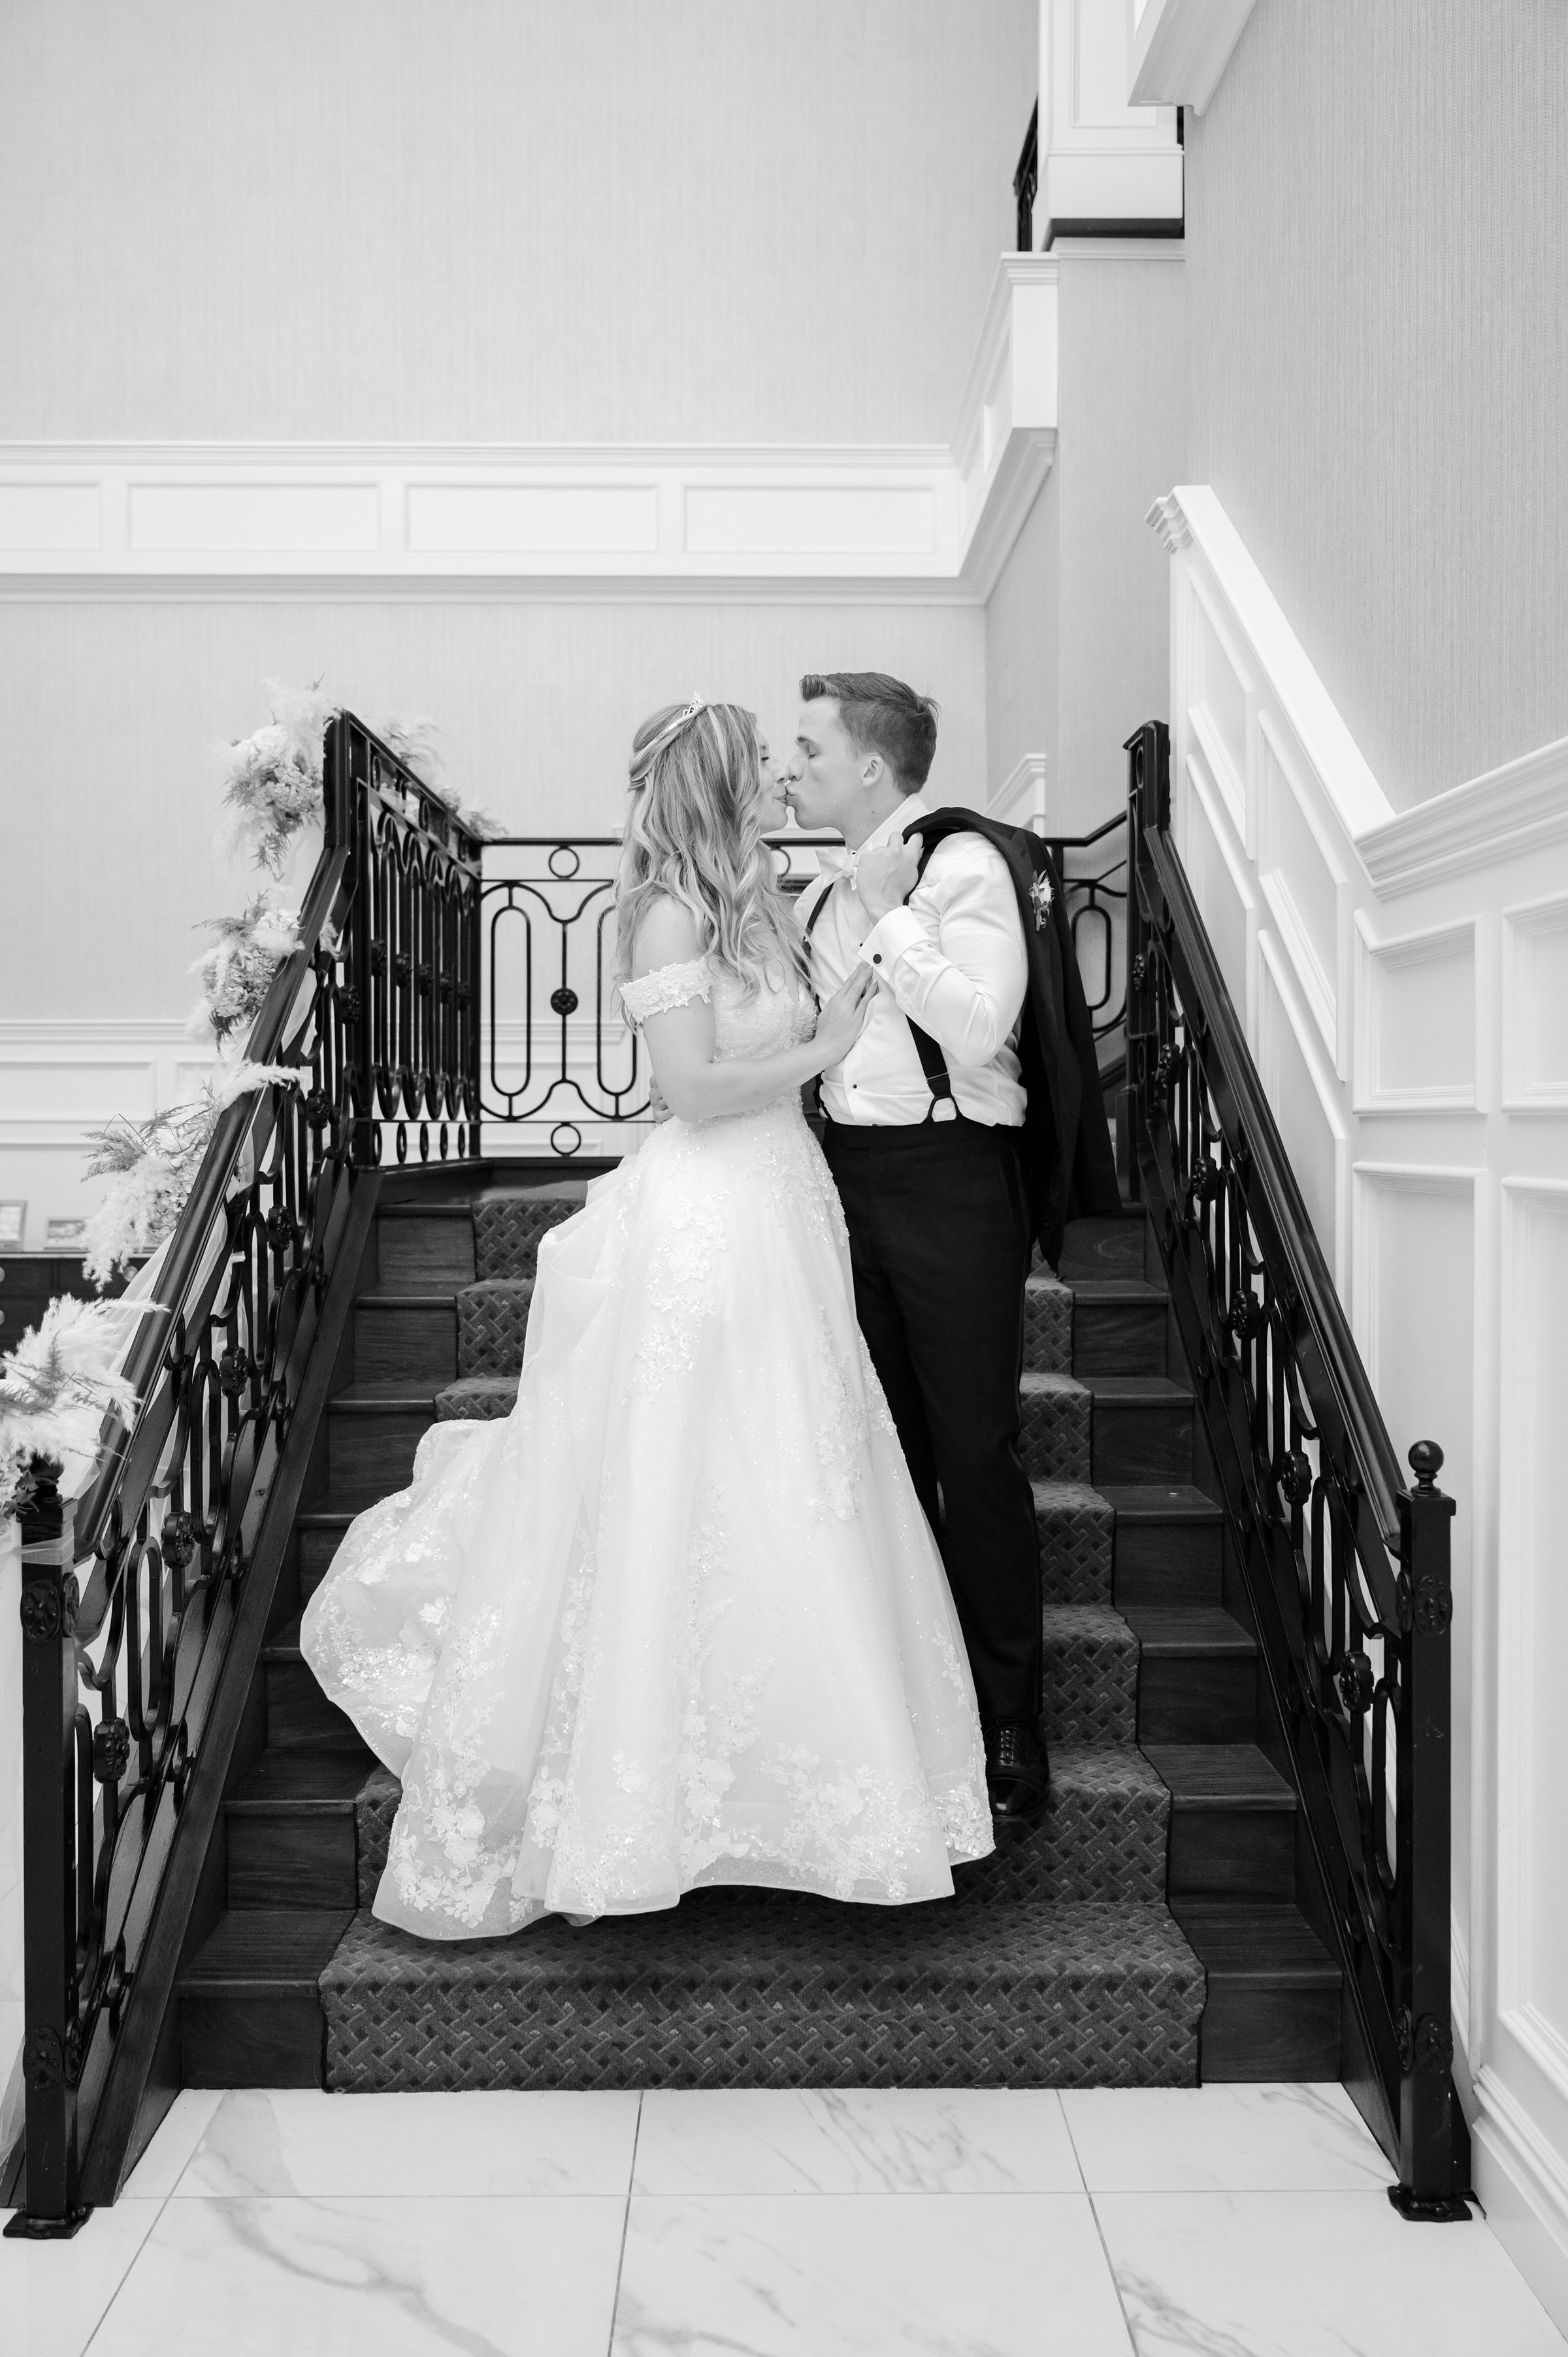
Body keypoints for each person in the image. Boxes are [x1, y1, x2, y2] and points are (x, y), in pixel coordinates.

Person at [300, 698, 993, 1940]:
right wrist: (822, 1048)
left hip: (791, 1207)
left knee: (804, 1466)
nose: (782, 783)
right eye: (762, 770)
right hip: (711, 1211)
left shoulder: (763, 897)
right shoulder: (665, 908)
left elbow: (832, 985)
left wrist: (872, 910)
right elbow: (689, 1088)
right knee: (698, 1468)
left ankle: (812, 1777)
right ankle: (642, 1799)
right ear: (717, 783)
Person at [788, 672, 1049, 1821]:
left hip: (953, 1182)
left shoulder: (965, 865)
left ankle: (1005, 1724)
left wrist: (893, 915)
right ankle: (908, 1714)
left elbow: (984, 1026)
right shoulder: (808, 898)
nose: (791, 769)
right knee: (879, 1458)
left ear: (873, 769)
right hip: (846, 1186)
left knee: (972, 1455)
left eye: (808, 748)